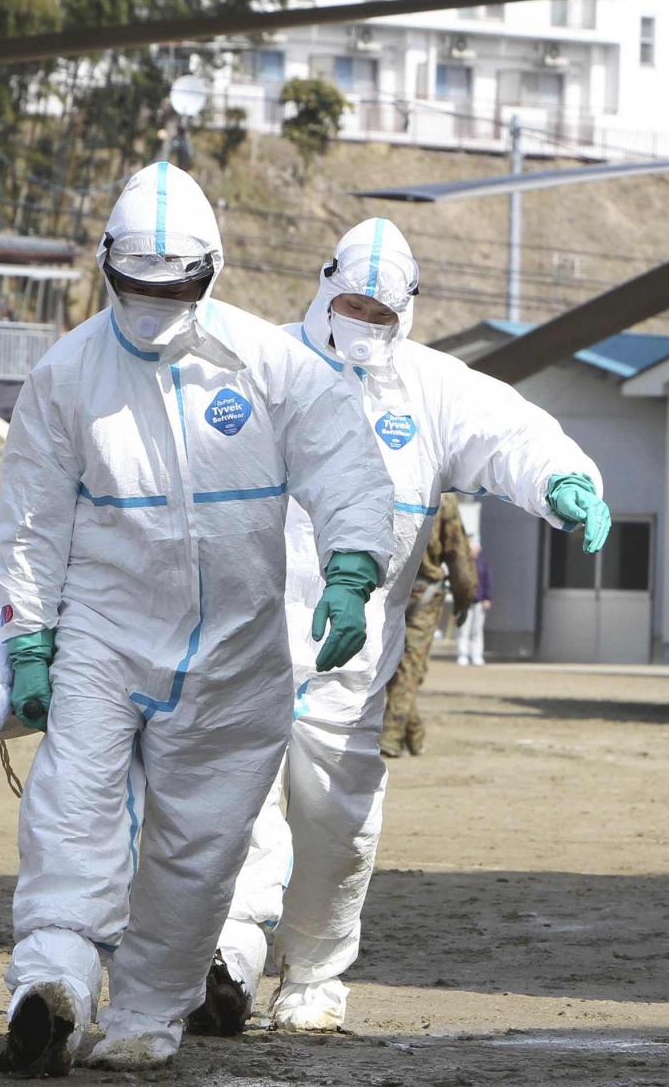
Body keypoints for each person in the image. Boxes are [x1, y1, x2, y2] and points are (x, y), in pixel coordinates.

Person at [0, 163, 394, 1076]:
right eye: (137, 287)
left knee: (199, 851)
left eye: (176, 288)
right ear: (108, 270)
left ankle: (143, 1017)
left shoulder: (275, 366)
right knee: (70, 812)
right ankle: (49, 988)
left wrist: (352, 567)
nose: (154, 304)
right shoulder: (67, 378)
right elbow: (29, 521)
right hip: (103, 636)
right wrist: (28, 635)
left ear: (212, 272)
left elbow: (345, 464)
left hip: (237, 653)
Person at [205, 217, 611, 1036]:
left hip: (351, 662)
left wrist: (565, 478)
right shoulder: (255, 362)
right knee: (228, 811)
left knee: (339, 827)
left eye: (381, 313)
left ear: (408, 313)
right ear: (324, 285)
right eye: (352, 302)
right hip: (238, 642)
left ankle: (314, 978)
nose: (363, 321)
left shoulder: (432, 390)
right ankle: (228, 958)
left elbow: (511, 434)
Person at [380, 495, 476, 758]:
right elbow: (458, 551)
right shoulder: (444, 498)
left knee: (399, 664)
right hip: (420, 591)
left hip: (388, 588)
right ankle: (400, 733)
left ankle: (402, 732)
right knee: (407, 665)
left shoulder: (384, 481)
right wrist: (464, 596)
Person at [454, 539, 493, 667]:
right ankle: (462, 654)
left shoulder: (483, 563)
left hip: (479, 601)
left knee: (477, 630)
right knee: (464, 629)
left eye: (476, 548)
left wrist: (487, 598)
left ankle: (477, 655)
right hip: (465, 601)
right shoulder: (463, 562)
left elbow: (487, 581)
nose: (474, 550)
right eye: (472, 548)